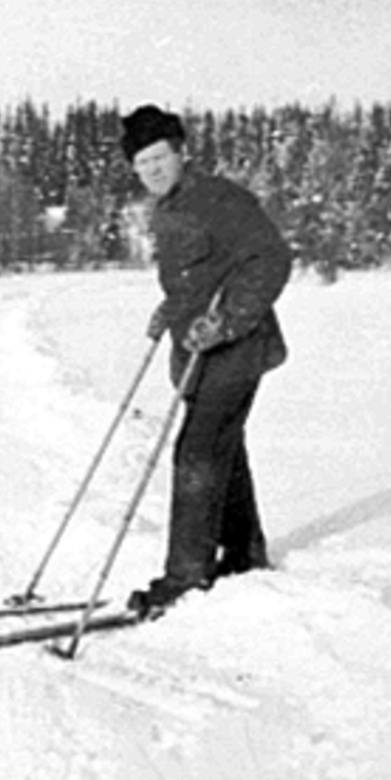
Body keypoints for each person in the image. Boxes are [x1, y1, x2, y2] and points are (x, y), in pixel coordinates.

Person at [119, 105, 292, 617]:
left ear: (181, 152)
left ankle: (186, 576)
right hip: (199, 354)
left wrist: (226, 321)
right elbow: (197, 279)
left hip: (237, 348)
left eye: (159, 157)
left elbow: (270, 259)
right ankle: (243, 553)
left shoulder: (219, 199)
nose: (151, 170)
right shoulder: (169, 209)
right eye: (142, 163)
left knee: (196, 450)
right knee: (221, 447)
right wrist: (168, 311)